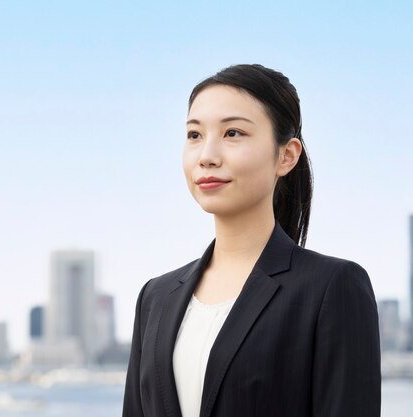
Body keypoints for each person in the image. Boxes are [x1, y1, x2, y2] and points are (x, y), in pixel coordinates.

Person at [121, 63, 381, 417]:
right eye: (195, 135)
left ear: (286, 155)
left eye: (232, 133)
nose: (207, 156)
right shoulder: (156, 297)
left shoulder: (331, 288)